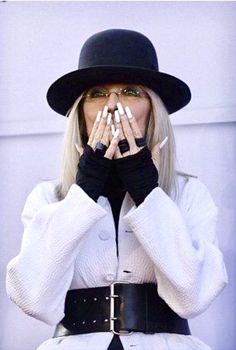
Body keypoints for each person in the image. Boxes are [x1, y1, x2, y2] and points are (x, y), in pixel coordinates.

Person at [6, 29, 228, 350]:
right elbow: (33, 299)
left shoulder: (188, 192)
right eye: (97, 93)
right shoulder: (48, 197)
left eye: (129, 91)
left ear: (152, 109)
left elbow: (193, 297)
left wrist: (146, 190)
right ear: (81, 114)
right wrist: (84, 191)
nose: (112, 105)